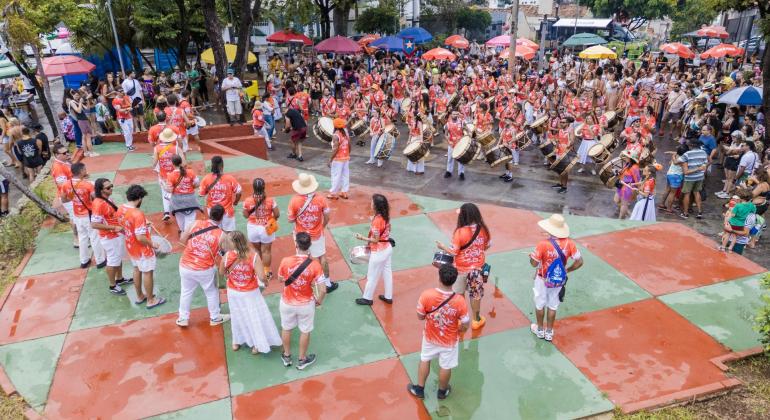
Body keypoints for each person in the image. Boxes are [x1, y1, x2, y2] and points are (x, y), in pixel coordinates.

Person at [406, 264, 470, 400]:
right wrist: (461, 330)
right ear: (454, 280)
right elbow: (465, 322)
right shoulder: (460, 300)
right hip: (450, 339)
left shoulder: (426, 295)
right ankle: (442, 392)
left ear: (439, 278)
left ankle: (420, 389)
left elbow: (420, 316)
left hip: (430, 336)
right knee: (446, 366)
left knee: (425, 359)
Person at [220, 230, 281, 354]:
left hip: (233, 292)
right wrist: (266, 281)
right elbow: (261, 276)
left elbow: (221, 273)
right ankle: (256, 345)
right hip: (249, 292)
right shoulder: (253, 256)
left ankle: (237, 341)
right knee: (253, 317)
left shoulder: (227, 256)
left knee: (237, 315)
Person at [435, 203, 491, 330]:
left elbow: (454, 252)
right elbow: (487, 245)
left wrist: (442, 246)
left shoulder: (459, 232)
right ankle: (476, 320)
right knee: (475, 295)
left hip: (460, 269)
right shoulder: (483, 230)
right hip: (477, 269)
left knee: (459, 294)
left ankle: (460, 319)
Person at [277, 232, 327, 370]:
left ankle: (286, 356)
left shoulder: (285, 261)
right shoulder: (315, 265)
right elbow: (323, 290)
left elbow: (281, 279)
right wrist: (319, 301)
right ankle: (302, 359)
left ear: (296, 244)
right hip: (306, 304)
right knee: (305, 330)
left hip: (287, 302)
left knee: (286, 328)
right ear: (310, 245)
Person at [529, 214, 583, 342]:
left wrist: (531, 257)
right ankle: (549, 332)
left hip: (542, 279)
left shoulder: (543, 244)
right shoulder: (570, 243)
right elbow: (579, 261)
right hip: (558, 280)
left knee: (540, 304)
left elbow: (534, 264)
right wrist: (567, 270)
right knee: (553, 306)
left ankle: (540, 329)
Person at [176, 204, 229, 327]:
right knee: (211, 292)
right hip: (205, 269)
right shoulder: (222, 235)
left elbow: (182, 240)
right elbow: (225, 254)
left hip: (185, 265)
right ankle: (215, 318)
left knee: (186, 291)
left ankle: (183, 318)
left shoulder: (195, 223)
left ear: (209, 213)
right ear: (222, 218)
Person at [116, 185, 166, 309]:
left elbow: (123, 225)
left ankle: (140, 296)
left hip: (130, 246)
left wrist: (144, 224)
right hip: (142, 249)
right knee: (148, 272)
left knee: (136, 269)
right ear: (139, 198)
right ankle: (151, 300)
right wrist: (152, 244)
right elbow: (140, 237)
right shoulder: (138, 214)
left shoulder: (121, 208)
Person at [287, 173, 338, 293]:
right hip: (317, 234)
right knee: (322, 257)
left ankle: (306, 283)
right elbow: (327, 216)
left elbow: (290, 219)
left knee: (302, 259)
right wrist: (322, 227)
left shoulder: (294, 201)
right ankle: (327, 283)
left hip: (301, 235)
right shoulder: (320, 199)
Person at [90, 178, 132, 295]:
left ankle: (120, 278)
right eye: (108, 188)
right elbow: (94, 224)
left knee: (118, 258)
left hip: (117, 234)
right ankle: (112, 285)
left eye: (111, 186)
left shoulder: (108, 199)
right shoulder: (98, 204)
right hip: (110, 237)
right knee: (112, 261)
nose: (111, 188)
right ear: (101, 190)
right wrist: (113, 228)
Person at [61, 162, 106, 269]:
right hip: (88, 214)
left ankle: (84, 260)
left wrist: (75, 200)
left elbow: (64, 199)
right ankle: (100, 260)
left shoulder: (66, 184)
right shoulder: (88, 185)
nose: (86, 171)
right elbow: (95, 198)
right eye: (85, 169)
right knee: (94, 237)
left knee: (82, 237)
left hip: (77, 214)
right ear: (81, 171)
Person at [354, 194, 393, 306]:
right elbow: (389, 228)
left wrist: (361, 237)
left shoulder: (377, 221)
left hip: (379, 251)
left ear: (376, 206)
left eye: (372, 202)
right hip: (387, 248)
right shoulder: (385, 216)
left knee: (372, 276)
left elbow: (375, 240)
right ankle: (388, 296)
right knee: (387, 272)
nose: (370, 204)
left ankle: (367, 298)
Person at [243, 177, 280, 279]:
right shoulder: (270, 200)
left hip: (253, 228)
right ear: (264, 187)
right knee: (266, 251)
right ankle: (267, 272)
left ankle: (258, 271)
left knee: (257, 250)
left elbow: (246, 215)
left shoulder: (247, 201)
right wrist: (272, 220)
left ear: (253, 188)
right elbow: (277, 214)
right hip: (266, 228)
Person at [199, 156, 242, 232]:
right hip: (227, 211)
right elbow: (239, 192)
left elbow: (201, 194)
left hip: (212, 211)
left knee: (214, 232)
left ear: (212, 166)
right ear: (222, 166)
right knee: (229, 233)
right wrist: (236, 202)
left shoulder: (206, 179)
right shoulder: (230, 178)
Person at [166, 154, 200, 233]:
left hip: (177, 201)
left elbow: (169, 190)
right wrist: (191, 187)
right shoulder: (190, 172)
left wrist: (164, 186)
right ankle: (187, 233)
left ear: (172, 163)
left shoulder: (170, 176)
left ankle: (182, 231)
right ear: (181, 162)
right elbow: (197, 183)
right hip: (190, 199)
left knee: (180, 218)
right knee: (190, 218)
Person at [678, 137, 709, 219]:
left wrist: (674, 156)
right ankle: (699, 212)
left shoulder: (687, 154)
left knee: (687, 194)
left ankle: (685, 213)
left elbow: (678, 161)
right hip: (700, 176)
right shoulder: (704, 152)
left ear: (691, 145)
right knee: (697, 193)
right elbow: (705, 163)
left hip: (689, 177)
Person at [327, 118, 350, 200]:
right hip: (346, 157)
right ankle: (344, 192)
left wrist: (330, 159)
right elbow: (349, 145)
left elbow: (335, 149)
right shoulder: (345, 133)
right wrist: (348, 154)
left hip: (338, 159)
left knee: (336, 175)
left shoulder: (336, 135)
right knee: (345, 175)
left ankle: (333, 193)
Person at [615, 150, 641, 219]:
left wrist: (637, 190)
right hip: (621, 185)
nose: (625, 157)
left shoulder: (634, 167)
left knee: (624, 204)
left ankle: (620, 219)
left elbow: (637, 180)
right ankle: (629, 214)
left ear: (631, 159)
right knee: (616, 200)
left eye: (627, 156)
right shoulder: (628, 164)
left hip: (627, 187)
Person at [444, 111, 465, 179]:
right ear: (451, 115)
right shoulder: (448, 124)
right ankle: (449, 171)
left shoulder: (461, 122)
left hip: (460, 144)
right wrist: (448, 141)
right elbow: (446, 135)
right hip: (452, 144)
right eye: (453, 114)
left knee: (461, 159)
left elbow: (467, 131)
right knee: (450, 158)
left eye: (456, 114)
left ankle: (461, 173)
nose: (455, 115)